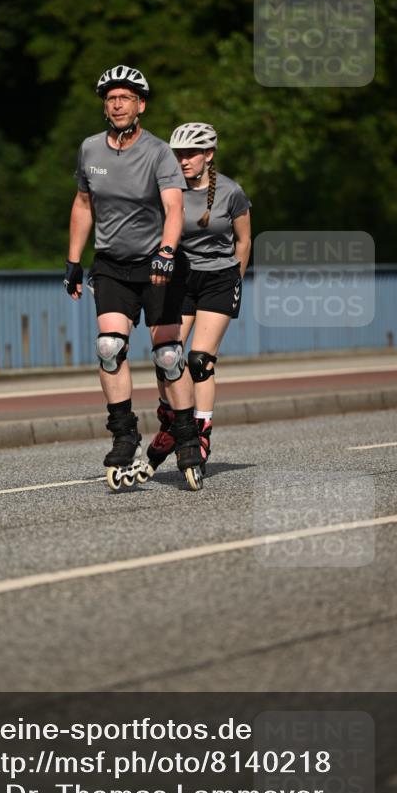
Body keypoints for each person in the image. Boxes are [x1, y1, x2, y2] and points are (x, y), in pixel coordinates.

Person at [64, 66, 203, 490]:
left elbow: (174, 208)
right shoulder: (90, 149)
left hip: (158, 263)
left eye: (125, 98)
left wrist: (167, 251)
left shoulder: (158, 152)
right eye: (111, 98)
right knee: (109, 347)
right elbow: (83, 204)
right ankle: (124, 436)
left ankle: (186, 438)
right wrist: (73, 261)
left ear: (140, 105)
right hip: (112, 264)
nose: (117, 104)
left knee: (168, 356)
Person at [147, 122, 252, 474]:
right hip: (180, 279)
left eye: (191, 153)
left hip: (219, 279)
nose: (183, 160)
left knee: (199, 361)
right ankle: (172, 422)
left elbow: (244, 241)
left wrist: (234, 280)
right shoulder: (169, 190)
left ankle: (201, 431)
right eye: (178, 154)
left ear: (208, 154)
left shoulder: (231, 192)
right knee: (167, 357)